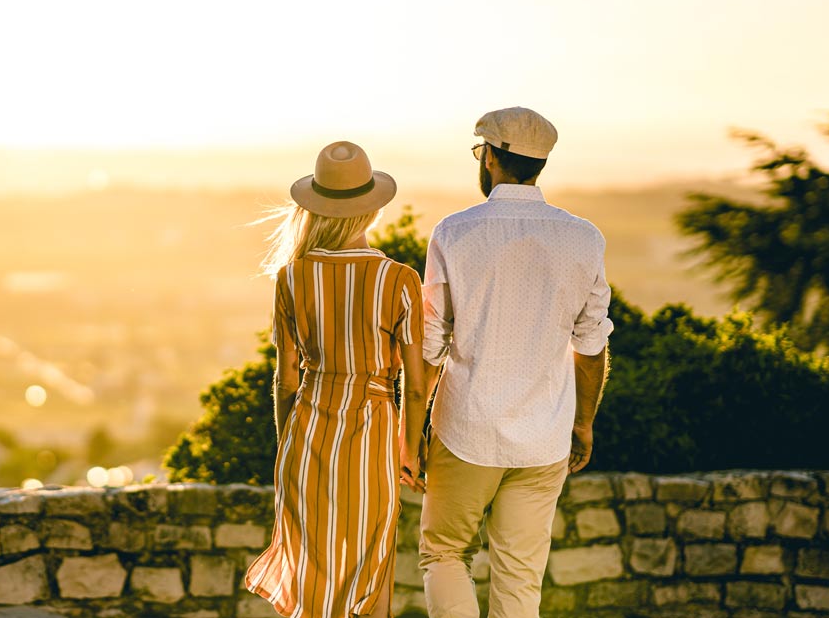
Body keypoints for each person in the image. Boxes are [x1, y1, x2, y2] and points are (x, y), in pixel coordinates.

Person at [411, 107, 613, 618]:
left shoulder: (453, 233)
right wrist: (583, 422)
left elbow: (430, 344)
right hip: (545, 434)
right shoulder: (584, 237)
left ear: (492, 158)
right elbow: (591, 345)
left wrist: (410, 428)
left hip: (466, 429)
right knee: (521, 574)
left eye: (480, 152)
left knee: (445, 553)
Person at [242, 141, 433, 618]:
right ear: (372, 210)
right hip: (373, 438)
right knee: (370, 574)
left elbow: (286, 379)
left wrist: (289, 440)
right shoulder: (399, 279)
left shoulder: (290, 277)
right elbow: (414, 384)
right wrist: (412, 449)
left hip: (306, 438)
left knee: (312, 583)